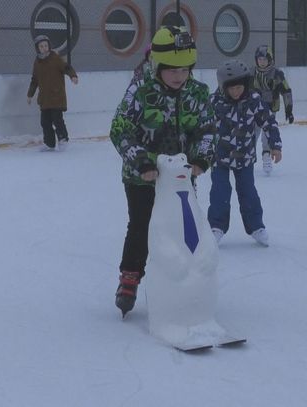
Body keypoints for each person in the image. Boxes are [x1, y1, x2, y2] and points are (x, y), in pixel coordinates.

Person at [109, 26, 216, 317]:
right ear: (157, 64)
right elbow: (120, 129)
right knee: (142, 225)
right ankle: (130, 277)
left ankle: (186, 283)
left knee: (185, 227)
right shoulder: (140, 90)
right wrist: (142, 162)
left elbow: (206, 129)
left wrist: (201, 159)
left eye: (184, 70)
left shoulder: (197, 92)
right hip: (141, 177)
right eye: (172, 70)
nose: (179, 76)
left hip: (181, 176)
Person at [208, 59, 282, 247]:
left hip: (245, 158)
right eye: (231, 88)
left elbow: (269, 122)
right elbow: (202, 127)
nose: (236, 92)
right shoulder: (214, 102)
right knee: (220, 193)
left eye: (239, 87)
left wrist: (275, 145)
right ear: (223, 87)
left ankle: (256, 226)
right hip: (219, 158)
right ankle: (216, 227)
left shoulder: (253, 100)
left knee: (248, 192)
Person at [27, 35, 78, 150]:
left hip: (57, 96)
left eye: (46, 45)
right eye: (41, 46)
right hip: (44, 99)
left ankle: (63, 139)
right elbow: (34, 80)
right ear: (37, 48)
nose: (44, 48)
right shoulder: (37, 62)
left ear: (49, 46)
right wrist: (30, 94)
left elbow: (67, 67)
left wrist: (73, 76)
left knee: (57, 120)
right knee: (45, 122)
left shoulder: (55, 58)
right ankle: (49, 143)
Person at [252, 45, 293, 175]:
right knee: (252, 134)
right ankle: (247, 159)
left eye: (264, 59)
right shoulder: (251, 73)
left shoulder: (277, 74)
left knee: (267, 135)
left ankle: (266, 157)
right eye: (259, 59)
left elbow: (286, 91)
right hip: (253, 109)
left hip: (270, 109)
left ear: (269, 60)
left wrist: (289, 110)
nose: (262, 62)